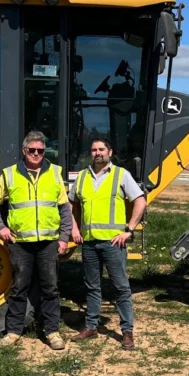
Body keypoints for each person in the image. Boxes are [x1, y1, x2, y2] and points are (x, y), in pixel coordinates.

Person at [0, 131, 71, 350]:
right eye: (31, 150)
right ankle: (13, 332)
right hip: (20, 244)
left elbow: (64, 209)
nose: (36, 154)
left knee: (50, 289)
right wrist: (1, 228)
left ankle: (52, 332)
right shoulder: (10, 174)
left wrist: (64, 238)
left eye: (40, 151)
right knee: (19, 288)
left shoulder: (55, 174)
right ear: (24, 151)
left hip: (49, 242)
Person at [69, 138, 147, 350]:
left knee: (121, 288)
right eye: (94, 149)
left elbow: (140, 200)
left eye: (101, 149)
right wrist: (74, 229)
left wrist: (129, 230)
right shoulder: (83, 176)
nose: (97, 153)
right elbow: (71, 203)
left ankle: (127, 332)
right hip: (90, 243)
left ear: (109, 152)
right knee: (92, 287)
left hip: (114, 243)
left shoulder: (121, 175)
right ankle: (91, 326)